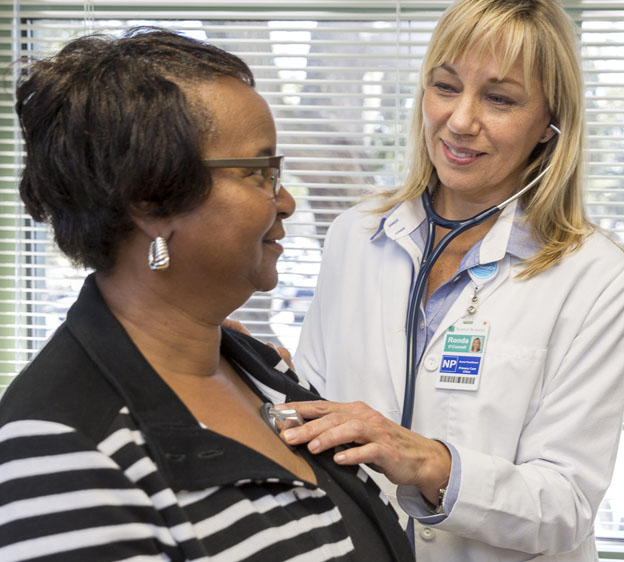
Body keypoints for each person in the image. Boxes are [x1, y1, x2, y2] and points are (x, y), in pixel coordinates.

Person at [0, 29, 414, 561]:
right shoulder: (62, 448)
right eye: (258, 173)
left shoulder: (260, 372)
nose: (285, 201)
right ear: (150, 201)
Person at [284, 1, 624, 561]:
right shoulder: (356, 236)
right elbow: (326, 424)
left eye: (500, 98)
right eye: (446, 87)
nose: (461, 120)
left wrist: (426, 464)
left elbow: (566, 507)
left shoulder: (595, 276)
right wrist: (270, 388)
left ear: (550, 124)